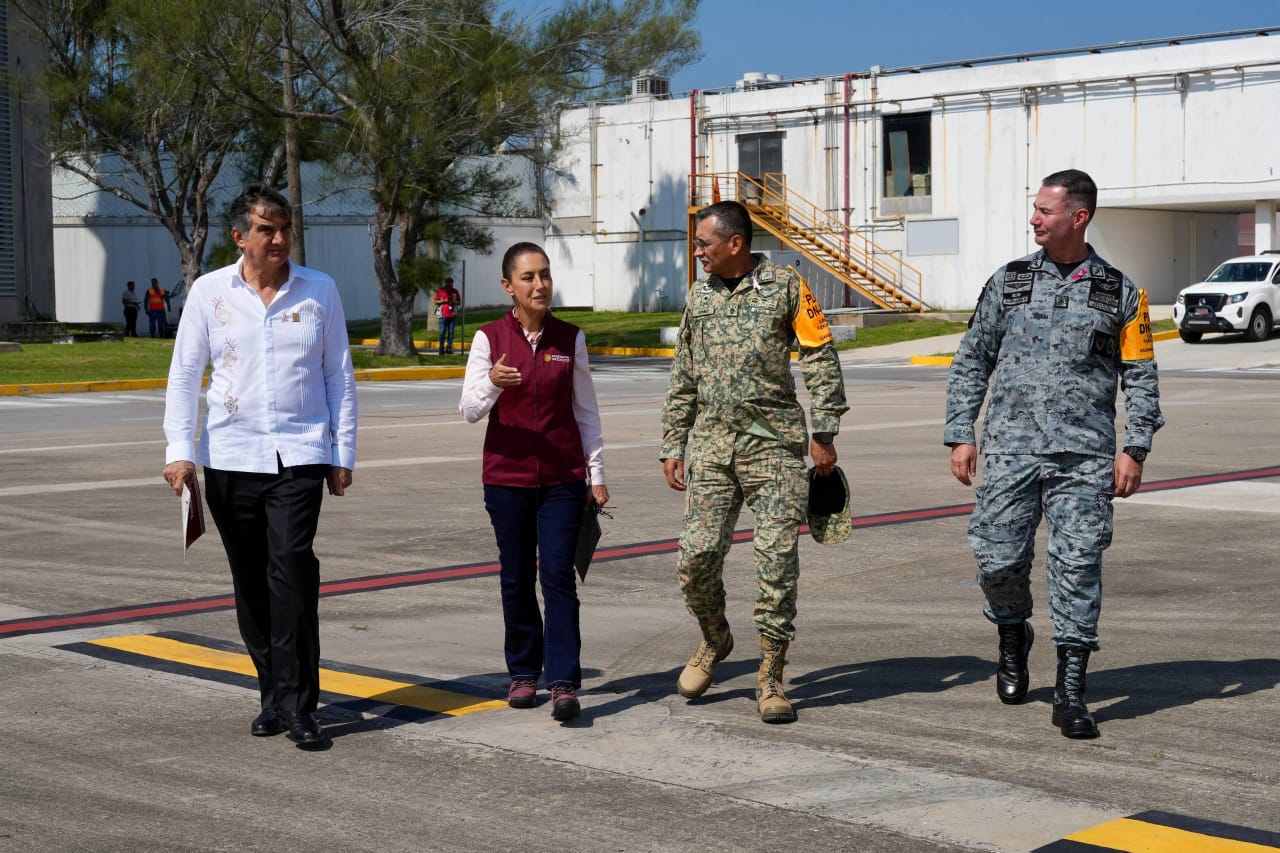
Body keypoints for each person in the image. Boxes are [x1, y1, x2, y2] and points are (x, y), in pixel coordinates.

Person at [945, 169, 1163, 740]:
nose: (1034, 219)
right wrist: (961, 432)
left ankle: (1070, 691)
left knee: (1078, 567)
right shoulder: (1009, 281)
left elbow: (1141, 375)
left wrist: (1135, 446)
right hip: (1011, 451)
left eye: (1045, 210)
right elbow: (972, 359)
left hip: (1085, 458)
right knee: (997, 560)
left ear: (1078, 217)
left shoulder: (1120, 292)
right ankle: (1012, 634)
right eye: (1035, 209)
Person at [162, 185, 358, 751]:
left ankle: (299, 705)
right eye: (266, 230)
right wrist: (179, 451)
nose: (278, 239)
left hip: (300, 454)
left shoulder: (319, 290)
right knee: (250, 581)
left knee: (291, 570)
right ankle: (272, 693)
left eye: (284, 229)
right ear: (239, 237)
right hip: (231, 457)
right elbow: (185, 374)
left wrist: (342, 452)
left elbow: (338, 374)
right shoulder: (209, 292)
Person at [660, 200, 848, 724]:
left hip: (775, 449)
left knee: (776, 563)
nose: (697, 252)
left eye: (704, 243)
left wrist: (824, 432)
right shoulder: (699, 296)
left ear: (735, 243)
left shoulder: (786, 286)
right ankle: (714, 638)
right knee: (695, 558)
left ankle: (770, 675)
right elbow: (684, 373)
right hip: (713, 448)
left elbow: (819, 356)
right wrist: (673, 441)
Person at [459, 242, 608, 723]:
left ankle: (563, 681)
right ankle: (524, 672)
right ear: (509, 286)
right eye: (528, 277)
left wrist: (596, 474)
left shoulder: (570, 338)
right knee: (516, 577)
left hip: (563, 479)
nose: (539, 285)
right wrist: (492, 383)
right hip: (507, 479)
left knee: (558, 577)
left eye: (544, 275)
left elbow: (586, 411)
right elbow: (468, 410)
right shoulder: (489, 338)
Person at [435, 276, 462, 355]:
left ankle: (449, 348)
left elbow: (459, 302)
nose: (450, 285)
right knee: (442, 332)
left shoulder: (455, 291)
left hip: (452, 315)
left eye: (451, 283)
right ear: (446, 283)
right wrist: (444, 301)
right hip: (443, 315)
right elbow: (436, 301)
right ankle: (441, 349)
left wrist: (454, 302)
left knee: (451, 332)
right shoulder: (441, 290)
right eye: (448, 283)